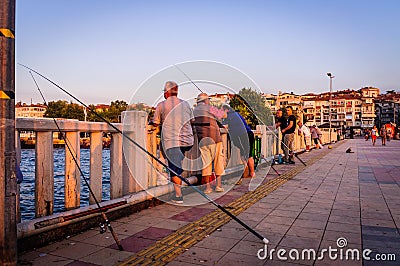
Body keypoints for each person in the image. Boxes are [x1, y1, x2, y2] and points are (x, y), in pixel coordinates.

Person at [152, 81, 194, 204]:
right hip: (188, 142)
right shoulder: (185, 104)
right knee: (177, 164)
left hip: (173, 142)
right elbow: (191, 120)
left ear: (166, 92)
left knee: (174, 169)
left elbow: (155, 122)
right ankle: (179, 180)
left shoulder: (162, 105)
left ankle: (178, 196)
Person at [193, 93, 225, 194]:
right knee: (218, 161)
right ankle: (218, 186)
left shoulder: (194, 110)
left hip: (202, 140)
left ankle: (207, 188)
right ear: (206, 100)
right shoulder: (209, 107)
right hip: (214, 138)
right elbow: (223, 115)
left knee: (205, 164)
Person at [222, 104, 255, 178]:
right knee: (248, 154)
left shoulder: (229, 116)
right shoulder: (236, 114)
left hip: (243, 136)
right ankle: (252, 173)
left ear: (226, 110)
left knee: (245, 155)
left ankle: (248, 172)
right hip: (249, 133)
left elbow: (224, 126)